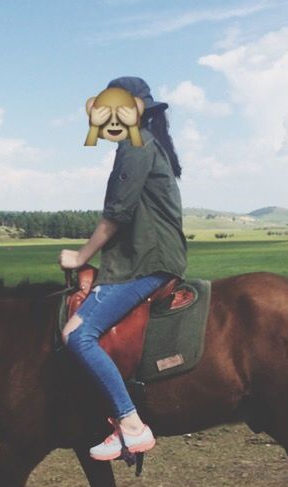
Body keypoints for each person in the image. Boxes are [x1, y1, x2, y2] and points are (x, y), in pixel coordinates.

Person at [59, 76, 187, 461]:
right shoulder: (149, 144)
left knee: (77, 335)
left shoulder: (135, 147)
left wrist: (80, 257)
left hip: (145, 261)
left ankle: (130, 423)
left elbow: (116, 215)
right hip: (150, 255)